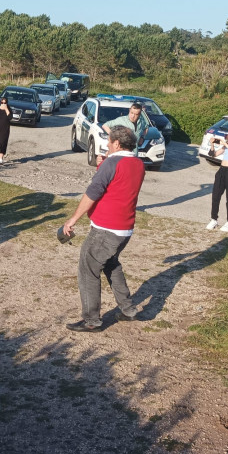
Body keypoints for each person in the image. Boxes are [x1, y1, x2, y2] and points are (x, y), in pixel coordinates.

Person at [62, 126, 145, 332]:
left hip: (106, 230)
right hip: (124, 229)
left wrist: (72, 220)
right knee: (110, 264)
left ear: (116, 144)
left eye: (109, 142)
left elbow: (93, 193)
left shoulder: (111, 163)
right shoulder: (138, 163)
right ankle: (128, 309)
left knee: (88, 269)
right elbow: (117, 183)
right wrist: (105, 163)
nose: (107, 145)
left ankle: (92, 321)